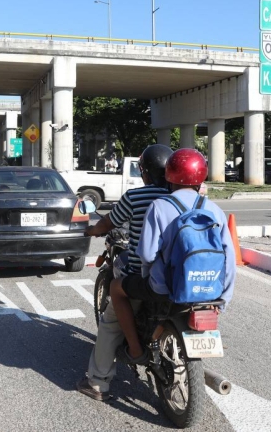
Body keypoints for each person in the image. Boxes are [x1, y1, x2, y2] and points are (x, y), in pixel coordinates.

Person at [109, 148, 237, 366]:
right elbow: (229, 259)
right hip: (208, 291)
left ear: (170, 175)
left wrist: (150, 280)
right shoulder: (214, 209)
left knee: (116, 288)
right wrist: (222, 299)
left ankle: (135, 349)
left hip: (162, 287)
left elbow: (147, 254)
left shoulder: (159, 206)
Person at [76, 144, 172, 401]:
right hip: (180, 275)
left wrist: (92, 230)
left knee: (110, 322)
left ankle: (97, 383)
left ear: (145, 172)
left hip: (146, 276)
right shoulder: (183, 195)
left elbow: (108, 222)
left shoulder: (136, 197)